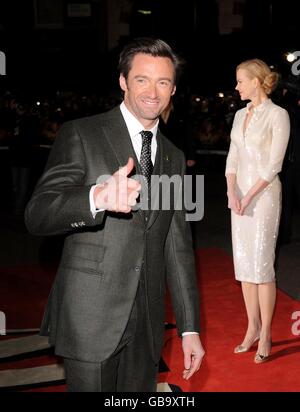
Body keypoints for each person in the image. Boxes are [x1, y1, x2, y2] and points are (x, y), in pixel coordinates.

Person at [25, 37, 205, 392]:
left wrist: (189, 328)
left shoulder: (173, 156)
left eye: (163, 82)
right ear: (123, 81)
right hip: (91, 315)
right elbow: (38, 214)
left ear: (173, 89)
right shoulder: (82, 134)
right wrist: (96, 197)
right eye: (142, 79)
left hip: (148, 324)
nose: (153, 91)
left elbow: (178, 247)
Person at [225, 59, 290, 363]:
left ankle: (266, 333)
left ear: (256, 81)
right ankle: (252, 327)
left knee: (262, 266)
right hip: (238, 197)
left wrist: (248, 195)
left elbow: (273, 165)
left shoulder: (278, 115)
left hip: (263, 197)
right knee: (244, 264)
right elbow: (233, 157)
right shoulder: (239, 115)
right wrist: (231, 192)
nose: (236, 87)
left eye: (240, 81)